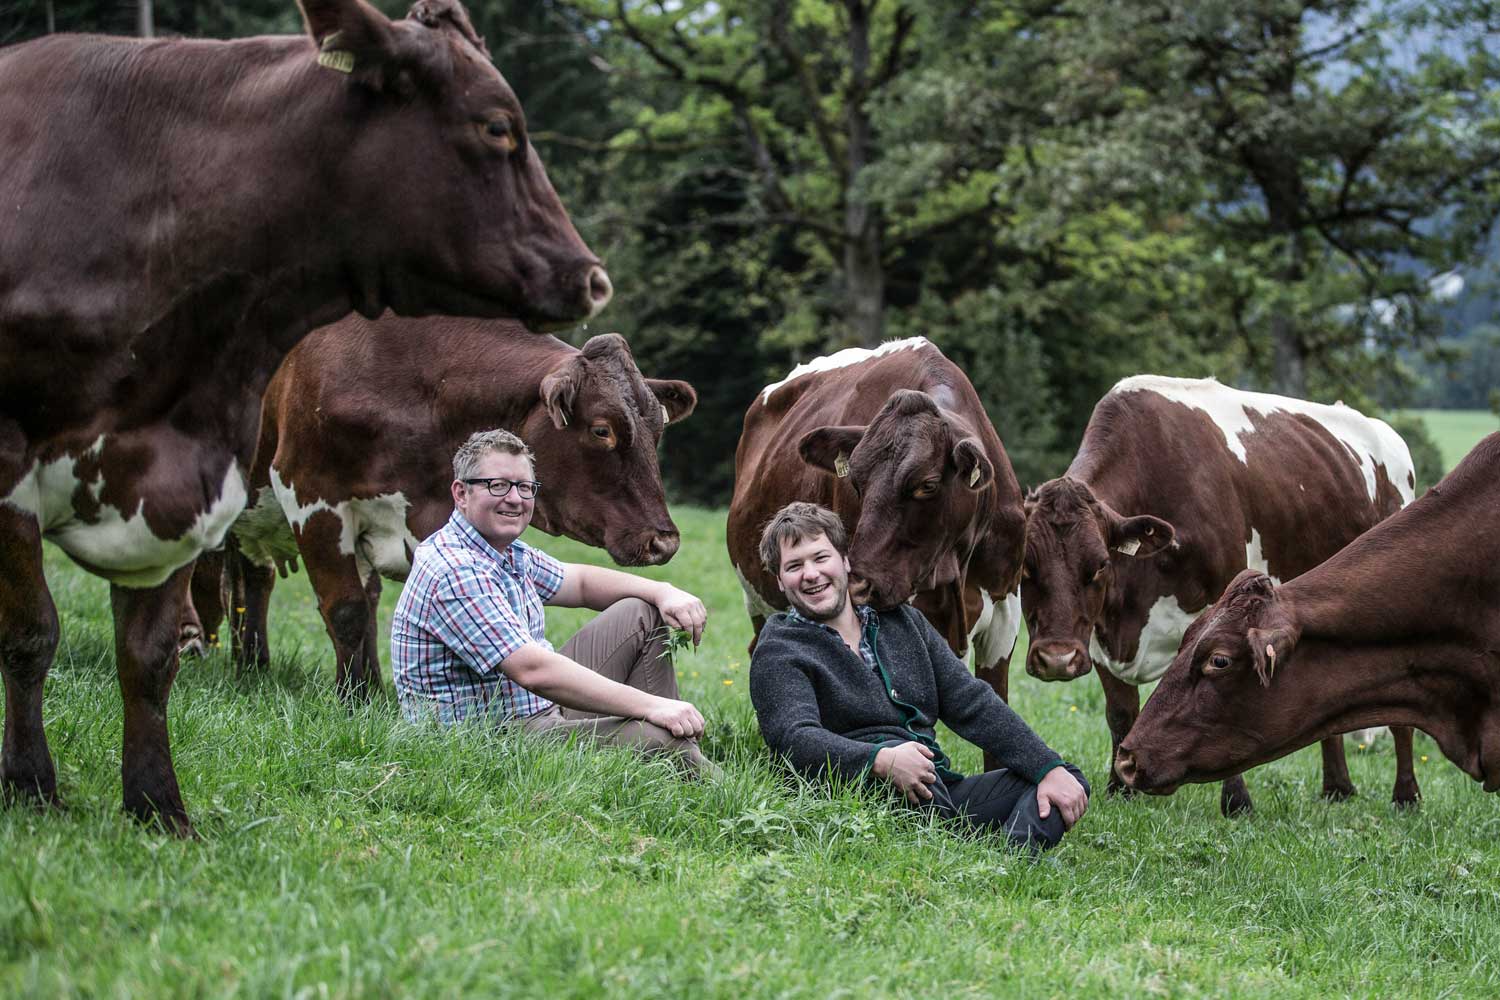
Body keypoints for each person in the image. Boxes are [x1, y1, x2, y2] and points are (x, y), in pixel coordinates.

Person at [748, 502, 1089, 851]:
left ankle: (1007, 860)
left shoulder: (902, 622)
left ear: (845, 560)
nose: (811, 574)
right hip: (857, 800)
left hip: (935, 788)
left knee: (1064, 779)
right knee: (908, 771)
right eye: (794, 566)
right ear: (780, 581)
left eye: (820, 558)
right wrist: (880, 760)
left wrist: (1046, 766)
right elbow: (793, 738)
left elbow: (971, 701)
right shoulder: (781, 648)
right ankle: (963, 855)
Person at [392, 429, 713, 773]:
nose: (514, 498)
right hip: (491, 742)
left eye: (524, 487)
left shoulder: (504, 551)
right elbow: (532, 670)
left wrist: (663, 591)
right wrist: (651, 706)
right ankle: (706, 778)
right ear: (461, 493)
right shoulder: (455, 569)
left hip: (532, 709)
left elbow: (580, 583)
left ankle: (674, 745)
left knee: (640, 611)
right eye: (497, 485)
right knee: (661, 742)